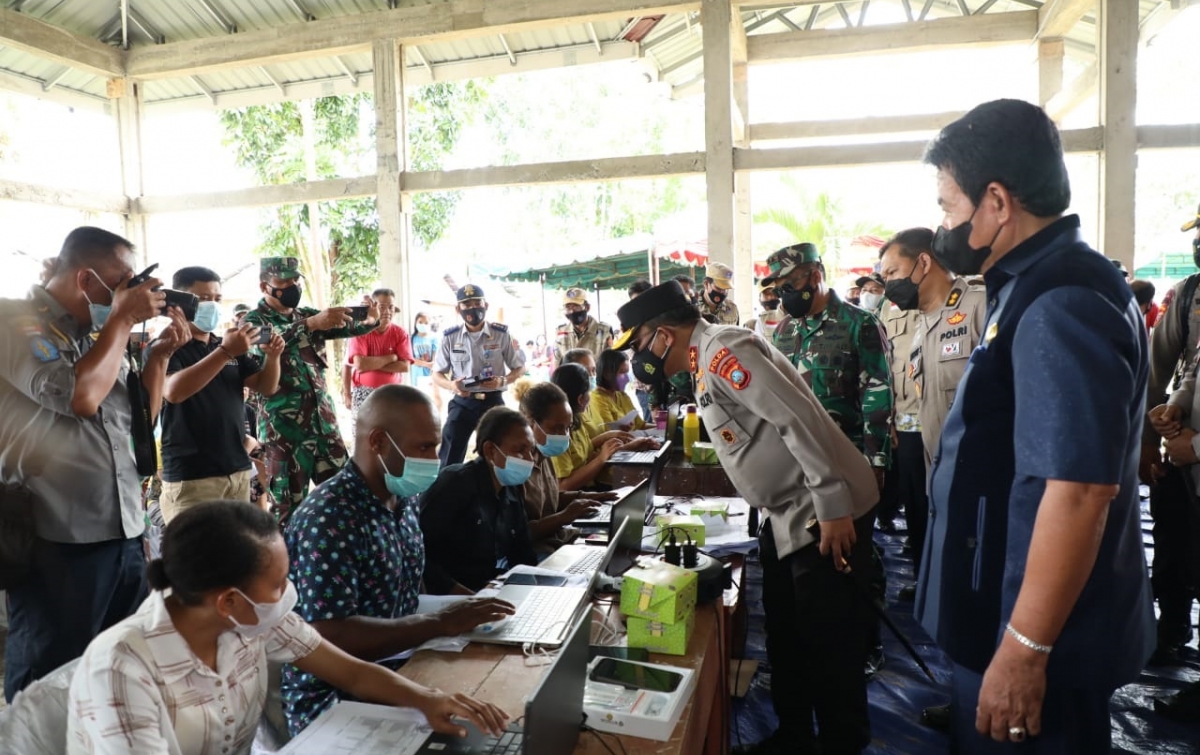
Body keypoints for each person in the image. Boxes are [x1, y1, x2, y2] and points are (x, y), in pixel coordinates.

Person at [915, 99, 1153, 753]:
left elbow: (1077, 492)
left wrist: (1024, 650)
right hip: (1005, 614)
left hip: (1036, 638)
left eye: (948, 206)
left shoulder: (1061, 299)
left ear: (996, 202)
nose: (943, 225)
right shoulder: (1032, 282)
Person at [611, 281, 879, 755]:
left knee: (829, 644)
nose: (638, 357)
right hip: (786, 514)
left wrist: (833, 504)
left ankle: (842, 743)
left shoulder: (725, 351)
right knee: (787, 636)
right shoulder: (702, 362)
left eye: (638, 344)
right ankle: (794, 738)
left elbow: (797, 418)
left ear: (663, 336)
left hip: (822, 511)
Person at [67, 501, 508, 753]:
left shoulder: (250, 621)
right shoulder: (123, 669)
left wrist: (429, 699)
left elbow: (351, 672)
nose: (288, 593)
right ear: (228, 601)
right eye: (278, 584)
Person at [0, 227, 190, 702]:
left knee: (115, 670)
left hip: (122, 529)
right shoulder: (15, 321)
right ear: (86, 279)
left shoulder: (98, 335)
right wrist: (122, 320)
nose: (130, 292)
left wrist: (159, 359)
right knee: (49, 680)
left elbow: (137, 422)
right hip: (57, 536)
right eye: (122, 282)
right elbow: (80, 397)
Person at [282, 385, 515, 735]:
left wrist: (461, 609)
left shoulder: (401, 499)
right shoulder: (329, 518)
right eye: (424, 447)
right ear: (378, 441)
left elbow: (406, 591)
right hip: (335, 701)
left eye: (435, 446)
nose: (435, 458)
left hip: (403, 667)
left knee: (501, 707)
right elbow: (330, 636)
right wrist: (438, 623)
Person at [764, 241, 893, 676]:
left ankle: (867, 643)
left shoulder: (860, 324)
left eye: (790, 283)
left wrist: (876, 464)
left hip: (850, 466)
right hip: (801, 470)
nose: (783, 293)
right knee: (811, 566)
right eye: (778, 286)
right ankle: (813, 654)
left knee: (855, 562)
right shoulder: (784, 331)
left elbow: (877, 395)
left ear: (815, 275)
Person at [241, 257, 381, 523]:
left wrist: (368, 320)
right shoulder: (252, 321)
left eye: (296, 280)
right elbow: (272, 339)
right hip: (285, 433)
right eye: (284, 281)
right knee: (288, 511)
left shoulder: (305, 315)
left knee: (346, 499)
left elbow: (343, 326)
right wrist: (312, 324)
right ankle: (290, 552)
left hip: (324, 427)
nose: (292, 286)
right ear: (264, 286)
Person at [146, 266, 286, 523]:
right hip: (192, 476)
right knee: (197, 547)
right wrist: (225, 353)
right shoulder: (166, 347)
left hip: (237, 470)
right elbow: (173, 391)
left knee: (236, 546)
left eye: (217, 299)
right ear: (180, 303)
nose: (212, 305)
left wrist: (273, 357)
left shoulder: (226, 345)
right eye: (203, 299)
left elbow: (265, 386)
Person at [1141, 201, 1200, 668]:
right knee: (1173, 544)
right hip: (1179, 454)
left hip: (1191, 449)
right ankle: (1172, 625)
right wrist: (1162, 420)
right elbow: (1172, 368)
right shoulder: (1190, 294)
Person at [420, 407, 539, 593]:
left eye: (531, 450)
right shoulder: (455, 484)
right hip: (447, 597)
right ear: (490, 450)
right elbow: (419, 555)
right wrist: (468, 597)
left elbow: (523, 554)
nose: (529, 459)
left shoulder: (510, 489)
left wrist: (536, 589)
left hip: (489, 590)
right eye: (520, 450)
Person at [431, 285, 526, 467]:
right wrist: (452, 386)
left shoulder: (500, 334)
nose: (473, 308)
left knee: (502, 452)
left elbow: (520, 368)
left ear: (486, 305)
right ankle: (447, 483)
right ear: (458, 309)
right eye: (467, 305)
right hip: (463, 402)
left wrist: (504, 380)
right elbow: (436, 374)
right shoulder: (450, 337)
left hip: (493, 401)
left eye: (477, 303)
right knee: (450, 453)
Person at [515, 381, 615, 553]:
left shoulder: (543, 454)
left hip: (558, 538)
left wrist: (588, 496)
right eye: (556, 428)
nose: (564, 436)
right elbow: (519, 533)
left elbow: (550, 499)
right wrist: (564, 516)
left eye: (567, 428)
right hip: (535, 551)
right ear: (530, 422)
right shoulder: (516, 466)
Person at [549, 364, 647, 491]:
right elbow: (563, 487)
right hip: (580, 494)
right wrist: (602, 458)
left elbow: (586, 458)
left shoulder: (576, 420)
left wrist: (618, 445)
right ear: (580, 399)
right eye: (589, 392)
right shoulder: (558, 433)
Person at [342, 288, 412, 413]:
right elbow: (359, 364)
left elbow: (404, 367)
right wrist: (391, 358)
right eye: (382, 307)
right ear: (373, 309)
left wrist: (370, 364)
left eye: (391, 307)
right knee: (363, 426)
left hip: (393, 394)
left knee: (393, 426)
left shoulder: (401, 333)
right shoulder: (360, 331)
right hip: (363, 393)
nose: (387, 312)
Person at [587, 349, 646, 431]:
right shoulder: (598, 398)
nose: (626, 378)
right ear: (607, 373)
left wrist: (661, 428)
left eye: (627, 372)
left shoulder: (622, 395)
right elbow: (610, 431)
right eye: (622, 372)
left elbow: (641, 425)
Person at [553, 287, 614, 367]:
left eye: (576, 307)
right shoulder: (561, 332)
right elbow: (557, 362)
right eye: (568, 307)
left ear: (587, 307)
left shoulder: (604, 331)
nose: (572, 311)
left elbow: (609, 364)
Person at [409, 311, 442, 411]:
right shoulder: (411, 338)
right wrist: (427, 364)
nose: (423, 324)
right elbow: (411, 359)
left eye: (426, 322)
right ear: (415, 322)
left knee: (435, 398)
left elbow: (435, 359)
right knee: (418, 400)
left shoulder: (434, 338)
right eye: (420, 322)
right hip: (416, 374)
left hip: (431, 374)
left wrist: (428, 365)